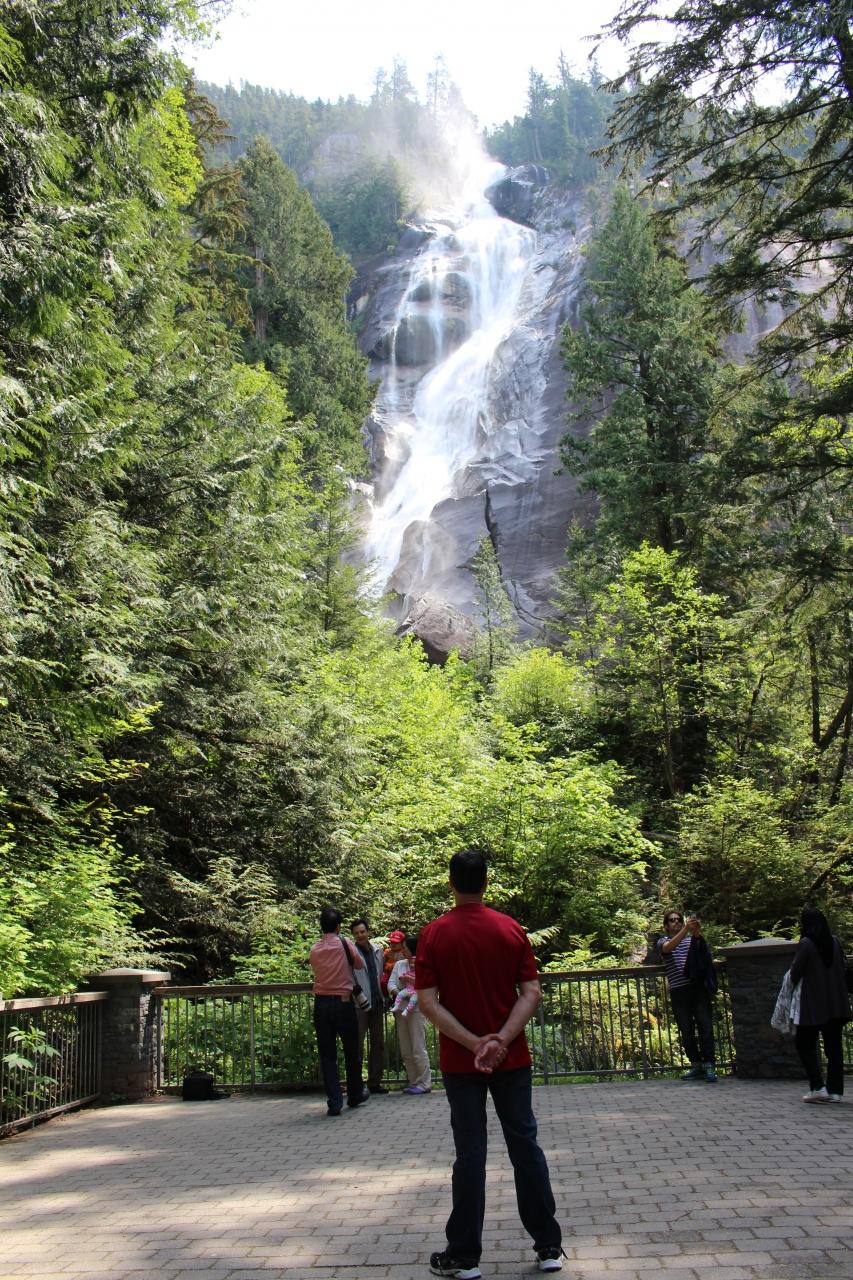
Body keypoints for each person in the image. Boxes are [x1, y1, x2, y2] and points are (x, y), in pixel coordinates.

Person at [416, 847, 564, 1278]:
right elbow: (531, 993)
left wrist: (474, 1043)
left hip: (461, 1064)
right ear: (486, 882)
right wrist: (500, 1041)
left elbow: (427, 1002)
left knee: (470, 1154)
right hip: (512, 1059)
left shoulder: (434, 934)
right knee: (525, 1146)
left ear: (451, 883)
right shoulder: (510, 928)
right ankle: (548, 1246)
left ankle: (464, 1257)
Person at [308, 906, 368, 1117]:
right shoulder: (345, 944)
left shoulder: (315, 949)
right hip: (343, 1003)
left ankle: (334, 1102)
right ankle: (355, 1093)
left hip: (321, 1004)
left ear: (321, 927)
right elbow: (359, 965)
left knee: (327, 1055)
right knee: (351, 1050)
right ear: (338, 926)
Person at [789, 906, 851, 1104]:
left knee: (804, 1044)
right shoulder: (834, 942)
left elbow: (795, 973)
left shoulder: (806, 944)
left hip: (813, 1005)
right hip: (836, 1003)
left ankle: (817, 1086)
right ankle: (835, 1091)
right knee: (834, 1048)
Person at [659, 908, 717, 1082]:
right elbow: (668, 948)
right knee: (687, 1030)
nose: (676, 922)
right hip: (679, 992)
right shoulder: (663, 941)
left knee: (706, 1027)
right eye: (672, 920)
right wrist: (686, 929)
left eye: (678, 919)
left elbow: (704, 956)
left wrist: (697, 933)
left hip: (698, 989)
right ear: (666, 926)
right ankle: (696, 1065)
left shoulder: (692, 940)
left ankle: (709, 1065)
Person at [389, 933, 432, 1096]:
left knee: (418, 1047)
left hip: (416, 1010)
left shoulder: (423, 964)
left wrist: (412, 987)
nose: (403, 950)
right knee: (406, 1048)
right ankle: (414, 1081)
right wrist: (398, 993)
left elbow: (425, 985)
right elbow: (391, 983)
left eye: (405, 948)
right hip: (401, 1010)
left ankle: (425, 1083)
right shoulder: (399, 964)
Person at [350, 918, 389, 1094]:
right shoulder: (351, 953)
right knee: (357, 1044)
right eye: (356, 933)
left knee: (378, 1043)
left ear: (368, 932)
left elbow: (383, 973)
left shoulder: (378, 951)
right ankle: (356, 1082)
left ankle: (375, 1082)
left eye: (362, 932)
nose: (360, 935)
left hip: (377, 1002)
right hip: (359, 1004)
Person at [381, 928, 406, 1000]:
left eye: (396, 943)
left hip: (400, 973)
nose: (393, 944)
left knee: (400, 985)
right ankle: (386, 997)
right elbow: (384, 962)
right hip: (389, 971)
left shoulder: (405, 952)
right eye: (392, 942)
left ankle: (397, 999)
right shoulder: (388, 952)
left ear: (402, 943)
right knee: (383, 982)